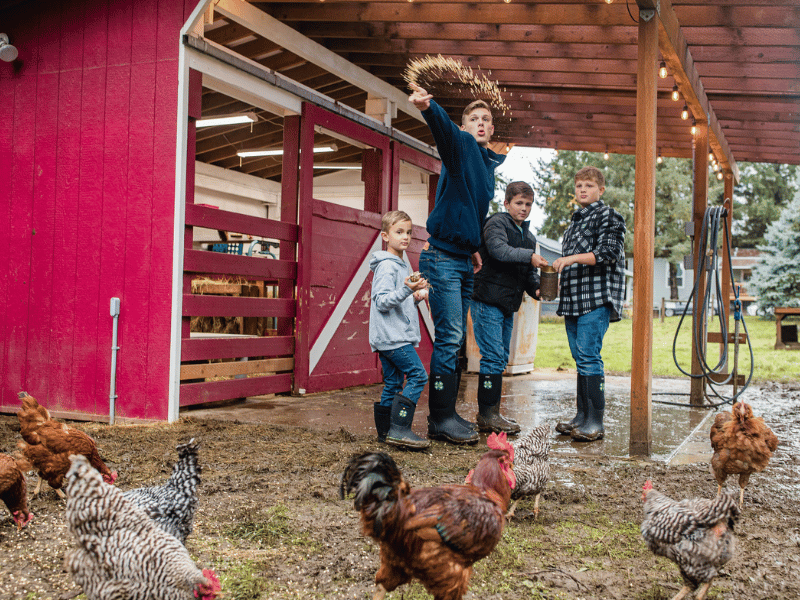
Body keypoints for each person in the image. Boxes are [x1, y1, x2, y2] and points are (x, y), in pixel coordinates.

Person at [408, 82, 506, 445]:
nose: (480, 123)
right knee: (449, 339)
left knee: (456, 339)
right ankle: (440, 418)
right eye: (474, 119)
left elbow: (472, 209)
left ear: (492, 129)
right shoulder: (462, 144)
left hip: (462, 258)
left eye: (486, 119)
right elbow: (445, 133)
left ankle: (447, 413)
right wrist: (428, 109)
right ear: (466, 126)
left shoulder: (485, 164)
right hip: (443, 259)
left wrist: (475, 245)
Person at [552, 166, 626, 442]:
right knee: (579, 356)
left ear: (601, 190)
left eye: (589, 186)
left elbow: (609, 253)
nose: (583, 190)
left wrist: (570, 259)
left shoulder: (608, 215)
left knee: (588, 355)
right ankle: (581, 417)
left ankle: (595, 421)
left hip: (595, 297)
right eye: (579, 185)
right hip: (572, 299)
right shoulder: (574, 223)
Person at [471, 181, 549, 434]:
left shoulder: (529, 236)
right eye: (519, 203)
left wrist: (537, 288)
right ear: (506, 203)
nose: (524, 209)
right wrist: (530, 256)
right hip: (487, 300)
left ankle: (491, 413)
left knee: (500, 358)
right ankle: (487, 415)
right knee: (493, 357)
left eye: (528, 204)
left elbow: (526, 273)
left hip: (507, 305)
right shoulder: (496, 223)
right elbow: (498, 251)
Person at [369, 210, 431, 450]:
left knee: (393, 383)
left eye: (408, 232)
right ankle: (400, 429)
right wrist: (407, 290)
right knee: (418, 375)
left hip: (388, 337)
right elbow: (382, 301)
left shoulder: (401, 265)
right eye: (399, 232)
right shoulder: (387, 266)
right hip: (393, 338)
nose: (405, 237)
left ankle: (385, 433)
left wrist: (414, 295)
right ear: (385, 236)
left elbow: (397, 300)